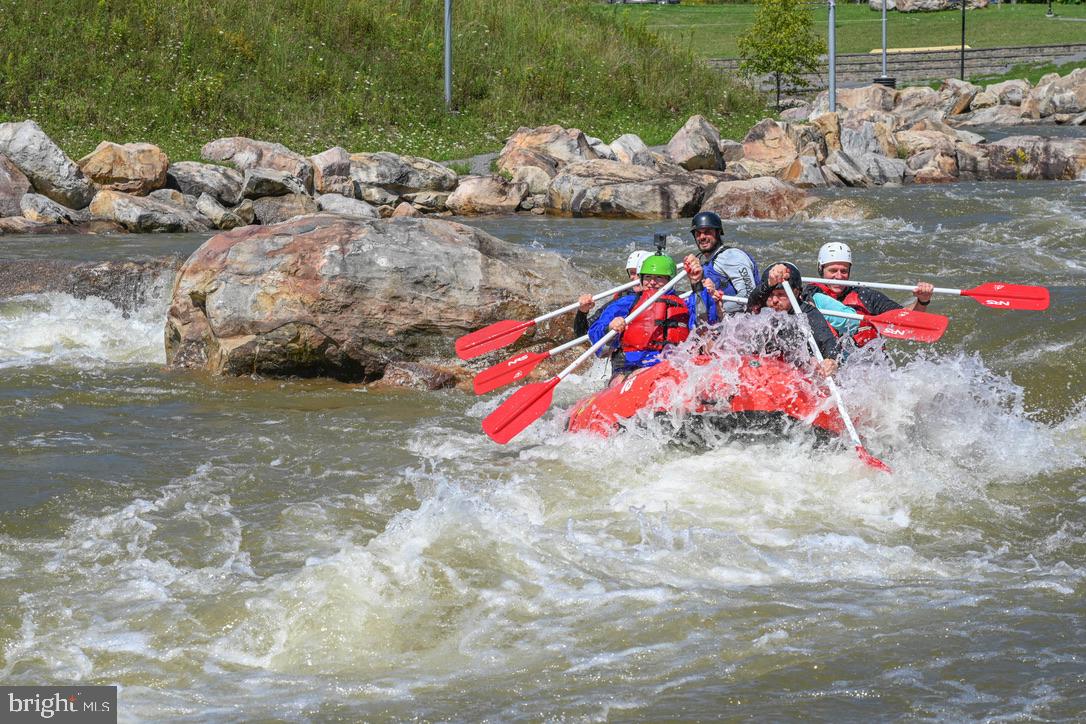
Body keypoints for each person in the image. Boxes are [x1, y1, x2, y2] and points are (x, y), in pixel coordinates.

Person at [589, 253, 716, 380]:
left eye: (659, 277)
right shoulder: (627, 303)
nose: (652, 282)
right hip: (630, 368)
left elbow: (705, 323)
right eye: (648, 277)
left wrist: (696, 283)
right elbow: (596, 334)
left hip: (672, 366)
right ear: (641, 279)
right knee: (623, 379)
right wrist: (609, 327)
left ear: (670, 280)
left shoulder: (685, 303)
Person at [805, 242, 934, 348]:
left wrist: (922, 301)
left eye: (844, 271)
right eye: (833, 271)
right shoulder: (809, 294)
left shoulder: (865, 296)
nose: (839, 276)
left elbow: (906, 319)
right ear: (821, 270)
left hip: (865, 363)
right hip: (827, 362)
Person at [746, 261, 840, 377]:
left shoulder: (807, 313)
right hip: (766, 367)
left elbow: (829, 343)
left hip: (794, 372)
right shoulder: (763, 308)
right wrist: (769, 283)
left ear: (795, 293)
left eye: (781, 294)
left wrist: (831, 361)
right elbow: (752, 304)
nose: (774, 300)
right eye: (770, 295)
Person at [682, 211, 760, 315]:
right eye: (698, 233)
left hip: (745, 320)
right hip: (724, 320)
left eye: (707, 232)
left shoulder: (731, 256)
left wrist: (717, 310)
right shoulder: (703, 262)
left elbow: (749, 296)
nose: (702, 237)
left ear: (718, 233)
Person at [573, 249, 652, 339]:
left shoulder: (662, 295)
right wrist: (583, 311)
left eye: (638, 273)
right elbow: (582, 333)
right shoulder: (623, 297)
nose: (634, 277)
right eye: (632, 273)